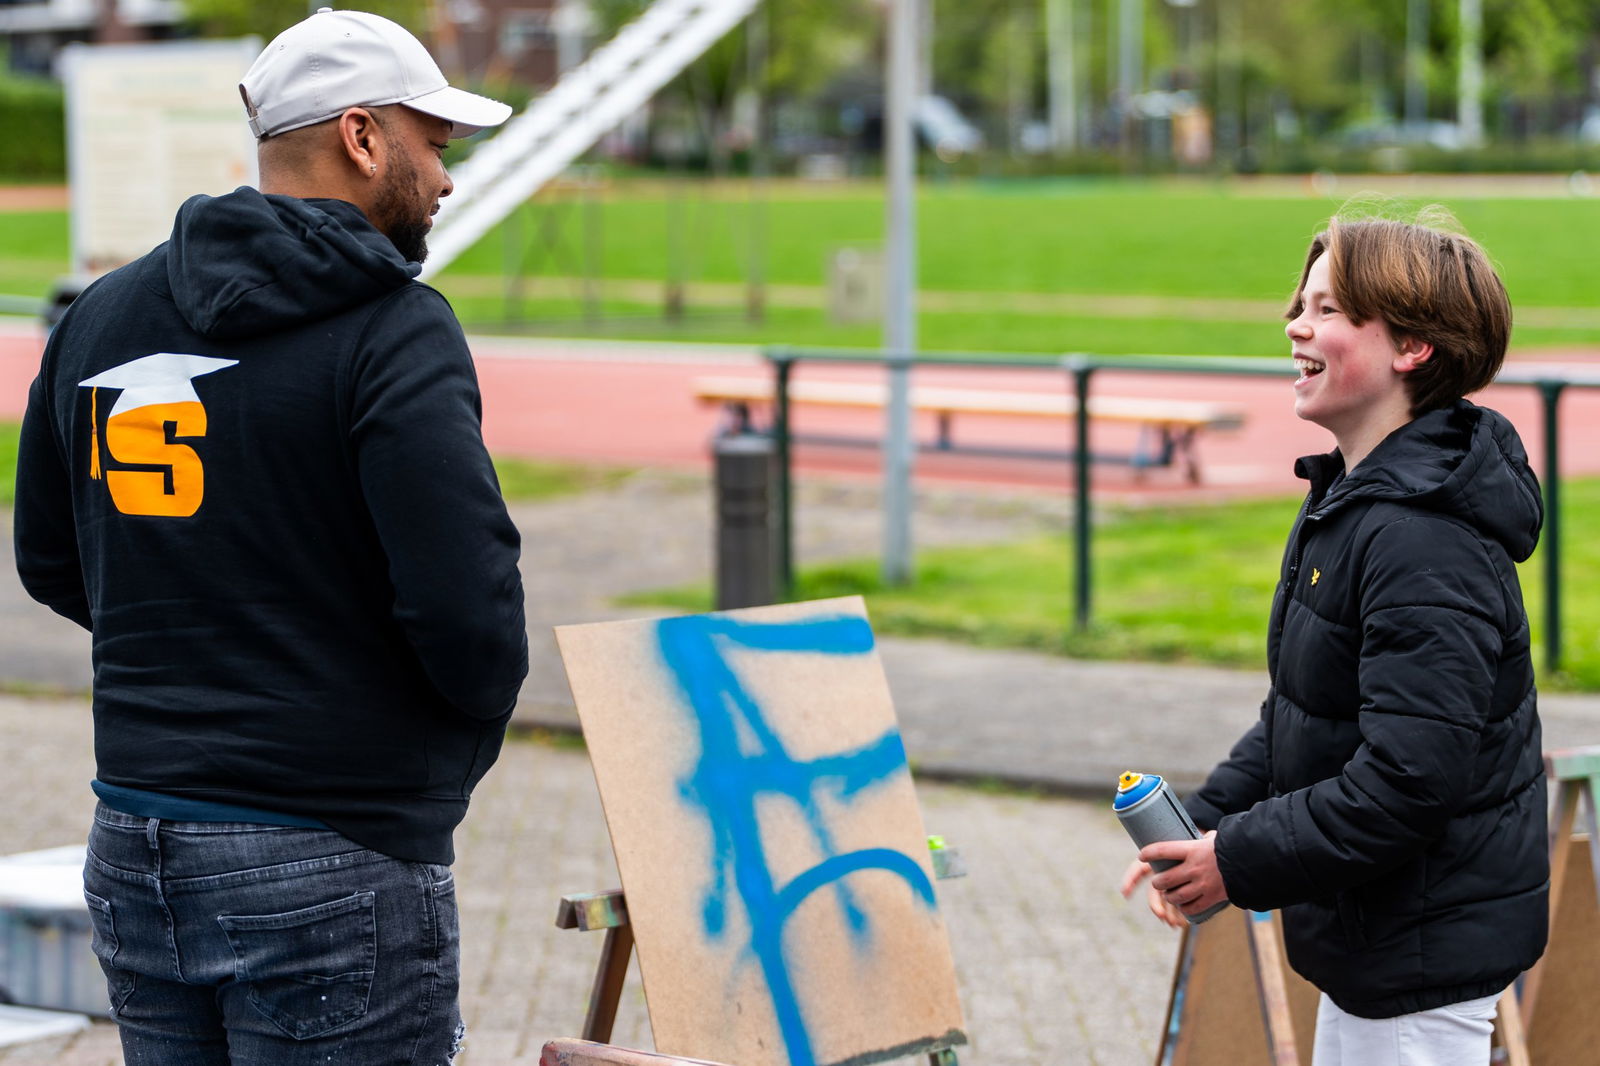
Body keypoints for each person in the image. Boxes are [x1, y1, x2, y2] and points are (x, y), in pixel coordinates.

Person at [14, 8, 527, 1063]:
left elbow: (51, 560)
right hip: (333, 849)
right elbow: (470, 615)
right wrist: (427, 753)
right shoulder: (395, 328)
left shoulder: (98, 318)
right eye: (434, 144)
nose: (445, 178)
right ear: (362, 136)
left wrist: (198, 636)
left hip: (135, 845)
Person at [1119, 212, 1548, 1066]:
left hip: (1419, 963)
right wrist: (1204, 823)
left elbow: (1407, 781)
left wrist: (1235, 860)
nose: (1296, 326)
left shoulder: (1424, 541)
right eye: (1300, 305)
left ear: (1412, 346)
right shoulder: (1351, 502)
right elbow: (1306, 711)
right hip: (1370, 947)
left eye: (1329, 311)